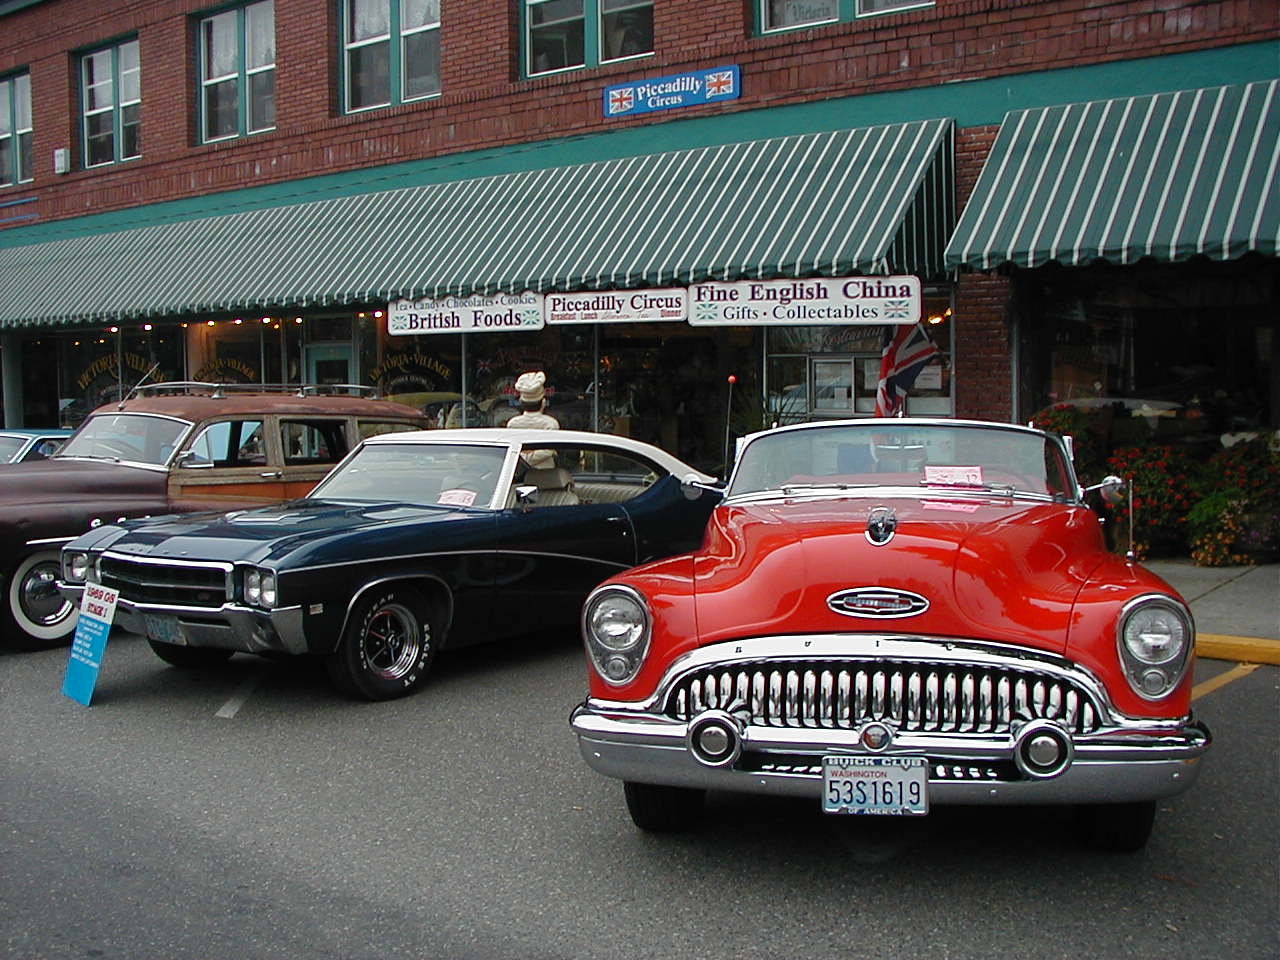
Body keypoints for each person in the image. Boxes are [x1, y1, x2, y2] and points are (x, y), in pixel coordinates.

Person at [506, 371, 559, 468]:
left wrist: (525, 458)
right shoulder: (551, 424)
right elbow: (547, 451)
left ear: (521, 402)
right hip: (546, 475)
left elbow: (513, 450)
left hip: (519, 473)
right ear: (543, 402)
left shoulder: (512, 424)